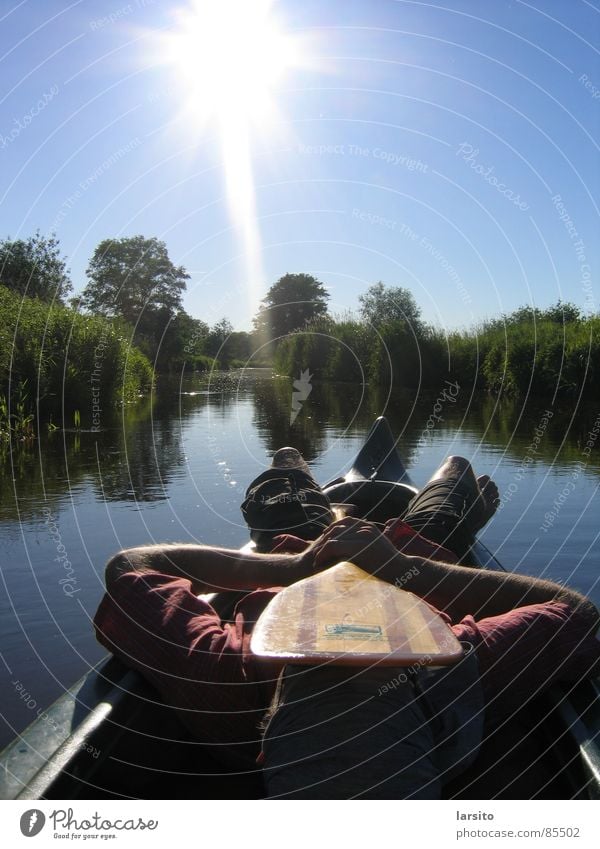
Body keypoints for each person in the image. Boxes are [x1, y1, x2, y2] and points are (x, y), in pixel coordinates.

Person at [93, 450, 600, 797]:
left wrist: (290, 567)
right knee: (457, 469)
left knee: (285, 470)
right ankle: (443, 509)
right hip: (410, 550)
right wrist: (403, 566)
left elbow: (132, 567)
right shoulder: (456, 674)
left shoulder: (228, 683)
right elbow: (575, 612)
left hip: (301, 549)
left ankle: (301, 477)